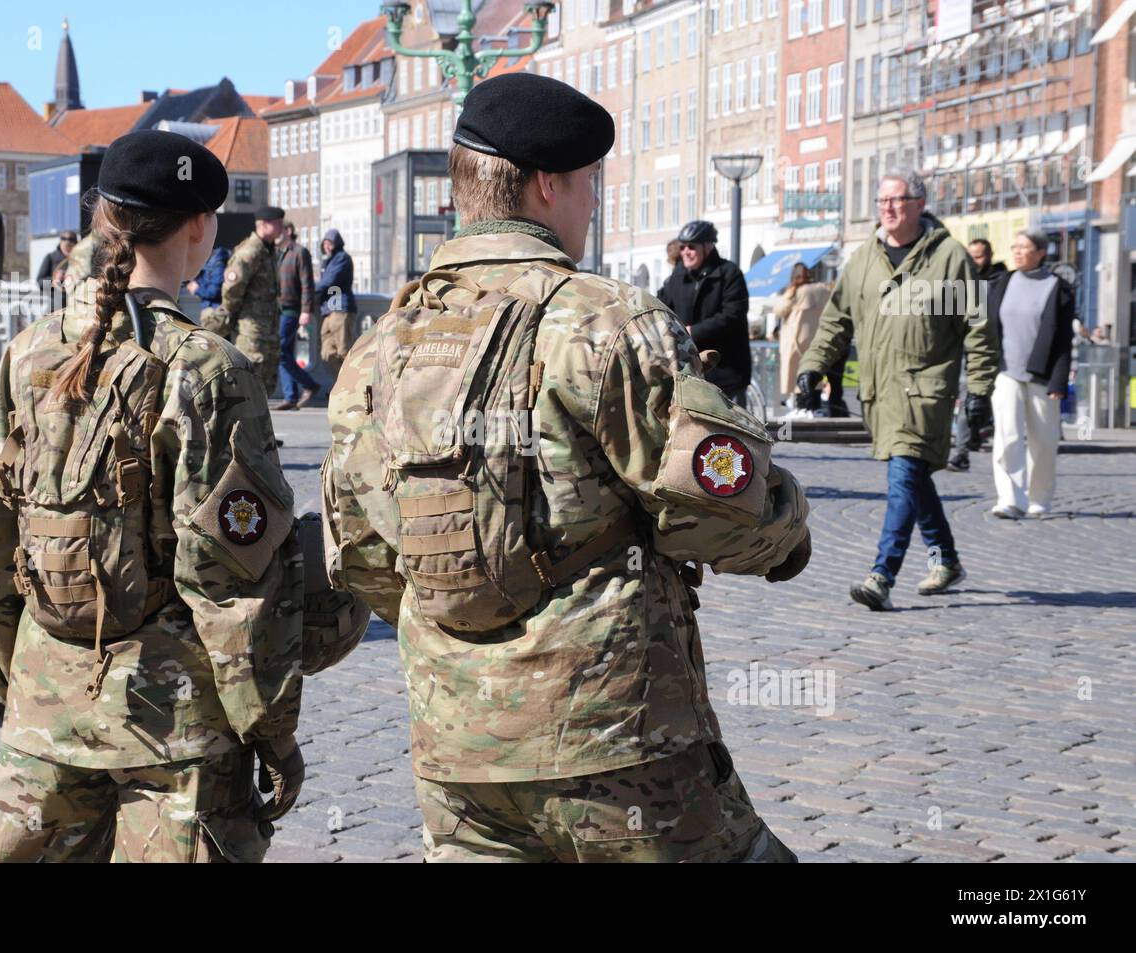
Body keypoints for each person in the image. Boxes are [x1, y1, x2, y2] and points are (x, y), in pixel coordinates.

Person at [324, 71, 810, 863]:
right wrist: (788, 533)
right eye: (588, 184)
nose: (592, 204)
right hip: (614, 742)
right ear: (548, 185)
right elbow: (721, 509)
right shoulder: (606, 319)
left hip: (457, 749)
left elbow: (364, 555)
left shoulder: (383, 344)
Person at [0, 130, 305, 862]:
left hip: (43, 719)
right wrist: (271, 731)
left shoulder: (32, 351)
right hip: (177, 735)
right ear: (200, 228)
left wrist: (24, 681)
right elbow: (233, 586)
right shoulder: (207, 368)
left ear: (100, 218)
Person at [796, 169, 998, 611]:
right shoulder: (865, 259)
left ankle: (881, 574)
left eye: (898, 200)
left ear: (920, 204)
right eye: (882, 201)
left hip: (925, 393)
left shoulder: (948, 258)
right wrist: (813, 366)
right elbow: (836, 321)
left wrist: (980, 389)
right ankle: (945, 558)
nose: (888, 208)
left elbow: (978, 328)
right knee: (914, 480)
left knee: (903, 474)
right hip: (879, 393)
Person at [988, 230, 1073, 519]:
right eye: (1014, 247)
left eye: (1024, 247)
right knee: (1007, 436)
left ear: (1040, 252)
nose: (1018, 252)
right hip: (1006, 372)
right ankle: (1009, 498)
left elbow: (1063, 340)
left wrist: (1059, 381)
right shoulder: (1002, 282)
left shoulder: (1057, 287)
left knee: (1045, 441)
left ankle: (1039, 499)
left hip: (1043, 375)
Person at [656, 220, 752, 407]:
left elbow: (732, 315)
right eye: (682, 247)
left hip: (726, 369)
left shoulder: (729, 274)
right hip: (689, 370)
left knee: (729, 431)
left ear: (707, 247)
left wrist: (693, 331)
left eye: (691, 247)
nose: (685, 252)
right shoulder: (676, 278)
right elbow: (660, 308)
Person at [949, 238, 1007, 470]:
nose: (975, 260)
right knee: (967, 401)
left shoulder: (1001, 281)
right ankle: (961, 452)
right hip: (970, 354)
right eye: (971, 255)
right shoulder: (961, 283)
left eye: (980, 255)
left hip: (1001, 351)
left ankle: (983, 435)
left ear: (990, 254)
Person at [216, 206, 283, 398]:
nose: (280, 227)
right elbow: (232, 288)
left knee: (264, 387)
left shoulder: (268, 251)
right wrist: (232, 312)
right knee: (248, 385)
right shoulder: (250, 251)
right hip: (250, 330)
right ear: (263, 225)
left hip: (267, 329)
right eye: (277, 223)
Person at [770, 262, 832, 409]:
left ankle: (802, 406)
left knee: (795, 374)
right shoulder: (823, 289)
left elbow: (780, 310)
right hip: (816, 337)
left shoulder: (795, 291)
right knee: (813, 370)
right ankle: (814, 407)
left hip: (795, 339)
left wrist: (790, 291)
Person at [275, 221, 319, 410]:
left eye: (278, 230)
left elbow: (307, 284)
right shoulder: (277, 253)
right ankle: (291, 396)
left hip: (292, 309)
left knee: (280, 351)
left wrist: (306, 310)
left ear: (288, 231)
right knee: (285, 352)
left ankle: (309, 384)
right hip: (278, 309)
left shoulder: (299, 252)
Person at [316, 228, 357, 375]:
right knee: (327, 353)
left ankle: (352, 388)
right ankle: (342, 386)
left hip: (341, 309)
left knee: (343, 351)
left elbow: (329, 281)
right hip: (329, 310)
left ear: (337, 243)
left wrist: (308, 290)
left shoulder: (341, 258)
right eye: (325, 243)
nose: (327, 246)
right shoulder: (329, 261)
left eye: (330, 243)